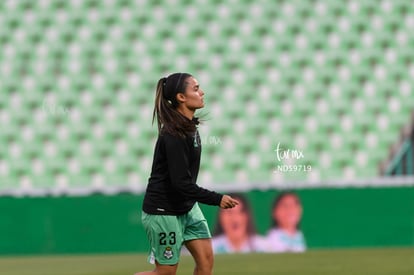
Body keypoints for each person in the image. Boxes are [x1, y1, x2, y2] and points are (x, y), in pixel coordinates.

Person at [135, 73, 239, 275]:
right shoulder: (173, 134)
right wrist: (217, 199)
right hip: (163, 210)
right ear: (181, 97)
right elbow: (181, 183)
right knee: (165, 272)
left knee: (206, 263)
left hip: (187, 208)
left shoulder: (189, 127)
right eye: (196, 88)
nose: (202, 92)